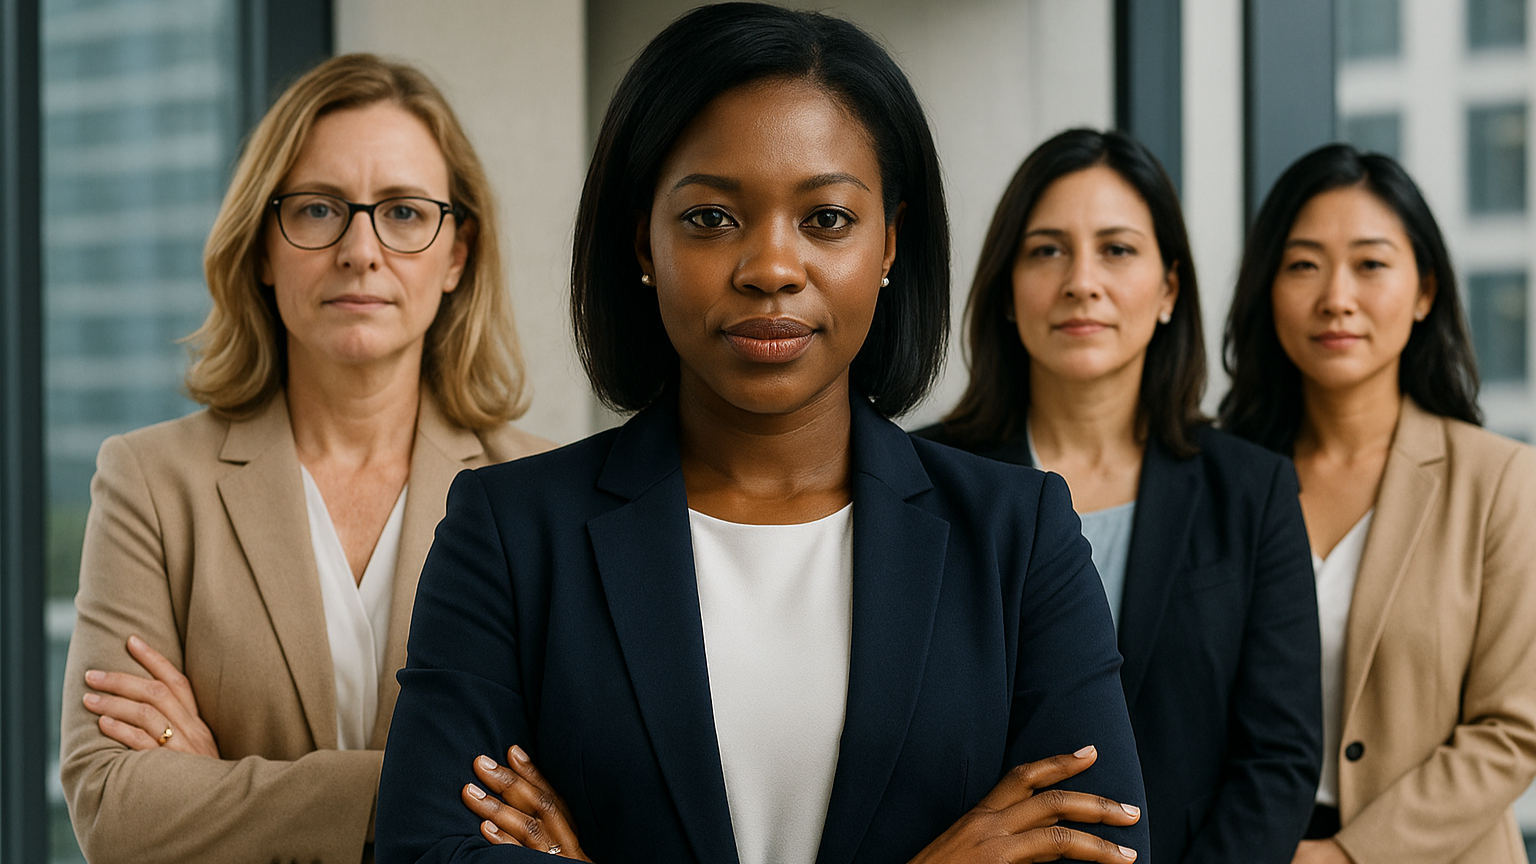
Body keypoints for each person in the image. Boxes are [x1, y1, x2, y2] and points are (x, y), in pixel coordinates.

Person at [375, 6, 1149, 864]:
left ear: (891, 243)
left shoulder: (1018, 533)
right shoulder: (510, 531)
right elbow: (428, 851)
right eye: (711, 218)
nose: (771, 267)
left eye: (826, 219)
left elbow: (1098, 848)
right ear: (644, 241)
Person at [58, 53, 551, 863]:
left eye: (402, 213)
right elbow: (113, 807)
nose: (361, 250)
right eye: (319, 210)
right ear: (261, 248)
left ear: (456, 254)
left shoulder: (540, 492)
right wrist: (425, 786)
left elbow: (591, 794)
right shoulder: (150, 482)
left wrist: (216, 785)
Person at [918, 128, 1322, 863]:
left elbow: (1279, 759)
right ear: (1007, 287)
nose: (1081, 280)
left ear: (1169, 288)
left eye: (1117, 249)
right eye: (1046, 250)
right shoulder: (924, 479)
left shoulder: (1251, 490)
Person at [1220, 143, 1536, 864]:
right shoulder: (1216, 477)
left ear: (1425, 290)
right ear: (1268, 288)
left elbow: (1514, 728)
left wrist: (1346, 857)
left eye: (1370, 264)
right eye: (1303, 264)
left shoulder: (1499, 482)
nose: (1337, 296)